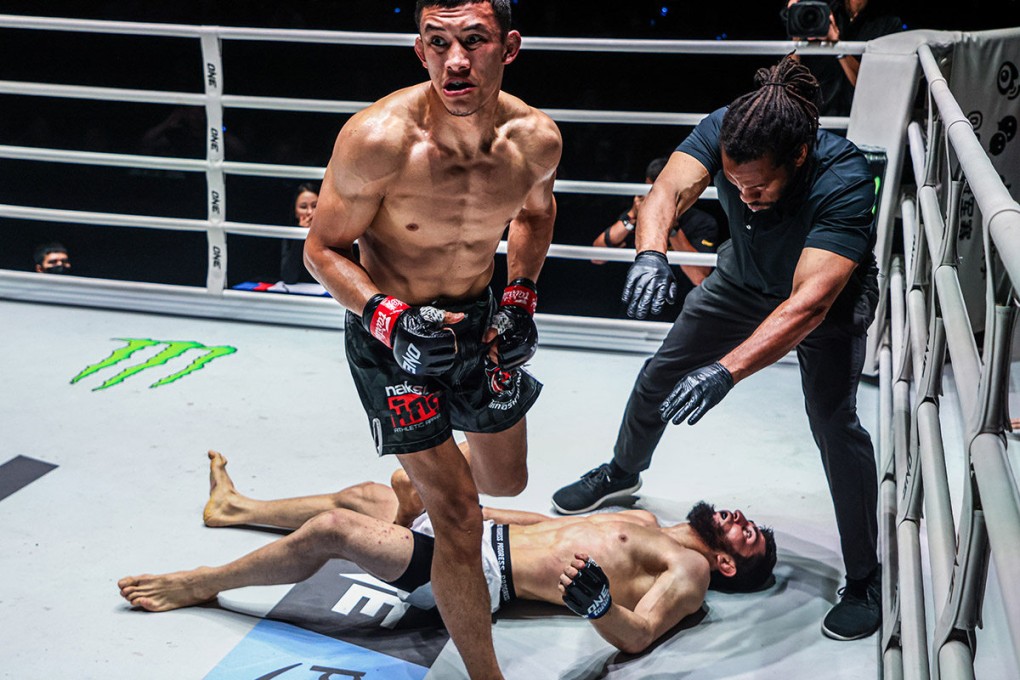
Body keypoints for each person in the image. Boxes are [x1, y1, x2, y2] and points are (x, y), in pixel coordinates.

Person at [552, 55, 882, 642]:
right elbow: (666, 191)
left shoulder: (845, 179)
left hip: (823, 303)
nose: (745, 196)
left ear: (798, 157)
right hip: (742, 281)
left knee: (833, 422)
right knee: (661, 372)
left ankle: (863, 579)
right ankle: (623, 470)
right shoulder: (728, 125)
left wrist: (725, 373)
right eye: (734, 185)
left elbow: (807, 304)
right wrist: (652, 252)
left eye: (758, 187)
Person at [301, 1, 560, 677]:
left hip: (477, 319)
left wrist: (520, 297)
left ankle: (416, 469)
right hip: (390, 336)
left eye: (473, 41)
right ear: (419, 51)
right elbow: (321, 250)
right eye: (438, 42)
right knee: (461, 515)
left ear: (509, 47)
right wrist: (390, 319)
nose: (455, 61)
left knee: (509, 477)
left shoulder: (536, 140)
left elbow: (535, 214)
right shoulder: (378, 140)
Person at [119, 451, 777, 655]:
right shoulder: (642, 517)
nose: (746, 522)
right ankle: (238, 510)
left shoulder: (687, 571)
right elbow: (545, 521)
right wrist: (465, 505)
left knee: (334, 531)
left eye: (751, 538)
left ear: (727, 566)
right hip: (480, 534)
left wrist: (600, 605)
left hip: (480, 576)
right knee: (374, 493)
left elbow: (637, 635)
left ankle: (201, 584)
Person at [592, 157, 719, 293]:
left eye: (661, 192)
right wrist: (632, 218)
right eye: (652, 191)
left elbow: (699, 277)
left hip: (680, 300)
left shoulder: (702, 222)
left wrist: (670, 225)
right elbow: (596, 257)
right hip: (640, 294)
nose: (657, 198)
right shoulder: (638, 214)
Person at [784, 0, 902, 116]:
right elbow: (789, 76)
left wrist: (838, 47)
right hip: (816, 119)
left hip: (861, 121)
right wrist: (796, 31)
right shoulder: (820, 11)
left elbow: (874, 84)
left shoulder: (889, 23)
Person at [279, 182, 320, 285]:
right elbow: (289, 277)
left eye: (315, 206)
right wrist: (300, 235)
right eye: (303, 207)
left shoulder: (332, 233)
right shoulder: (289, 235)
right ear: (295, 212)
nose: (309, 212)